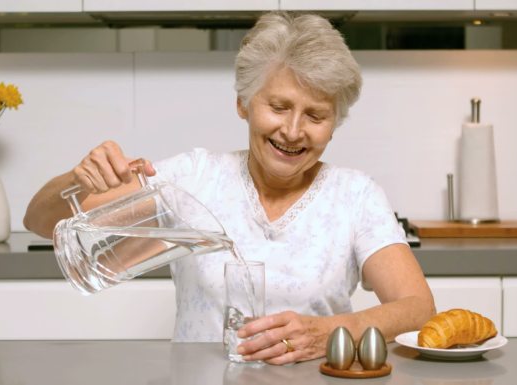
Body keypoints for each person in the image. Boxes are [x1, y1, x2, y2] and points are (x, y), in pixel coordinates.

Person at [24, 12, 435, 365]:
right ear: (244, 103)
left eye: (316, 115)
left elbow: (418, 309)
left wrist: (330, 332)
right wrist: (78, 179)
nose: (293, 131)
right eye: (278, 107)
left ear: (335, 122)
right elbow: (40, 221)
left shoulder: (355, 195)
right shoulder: (193, 178)